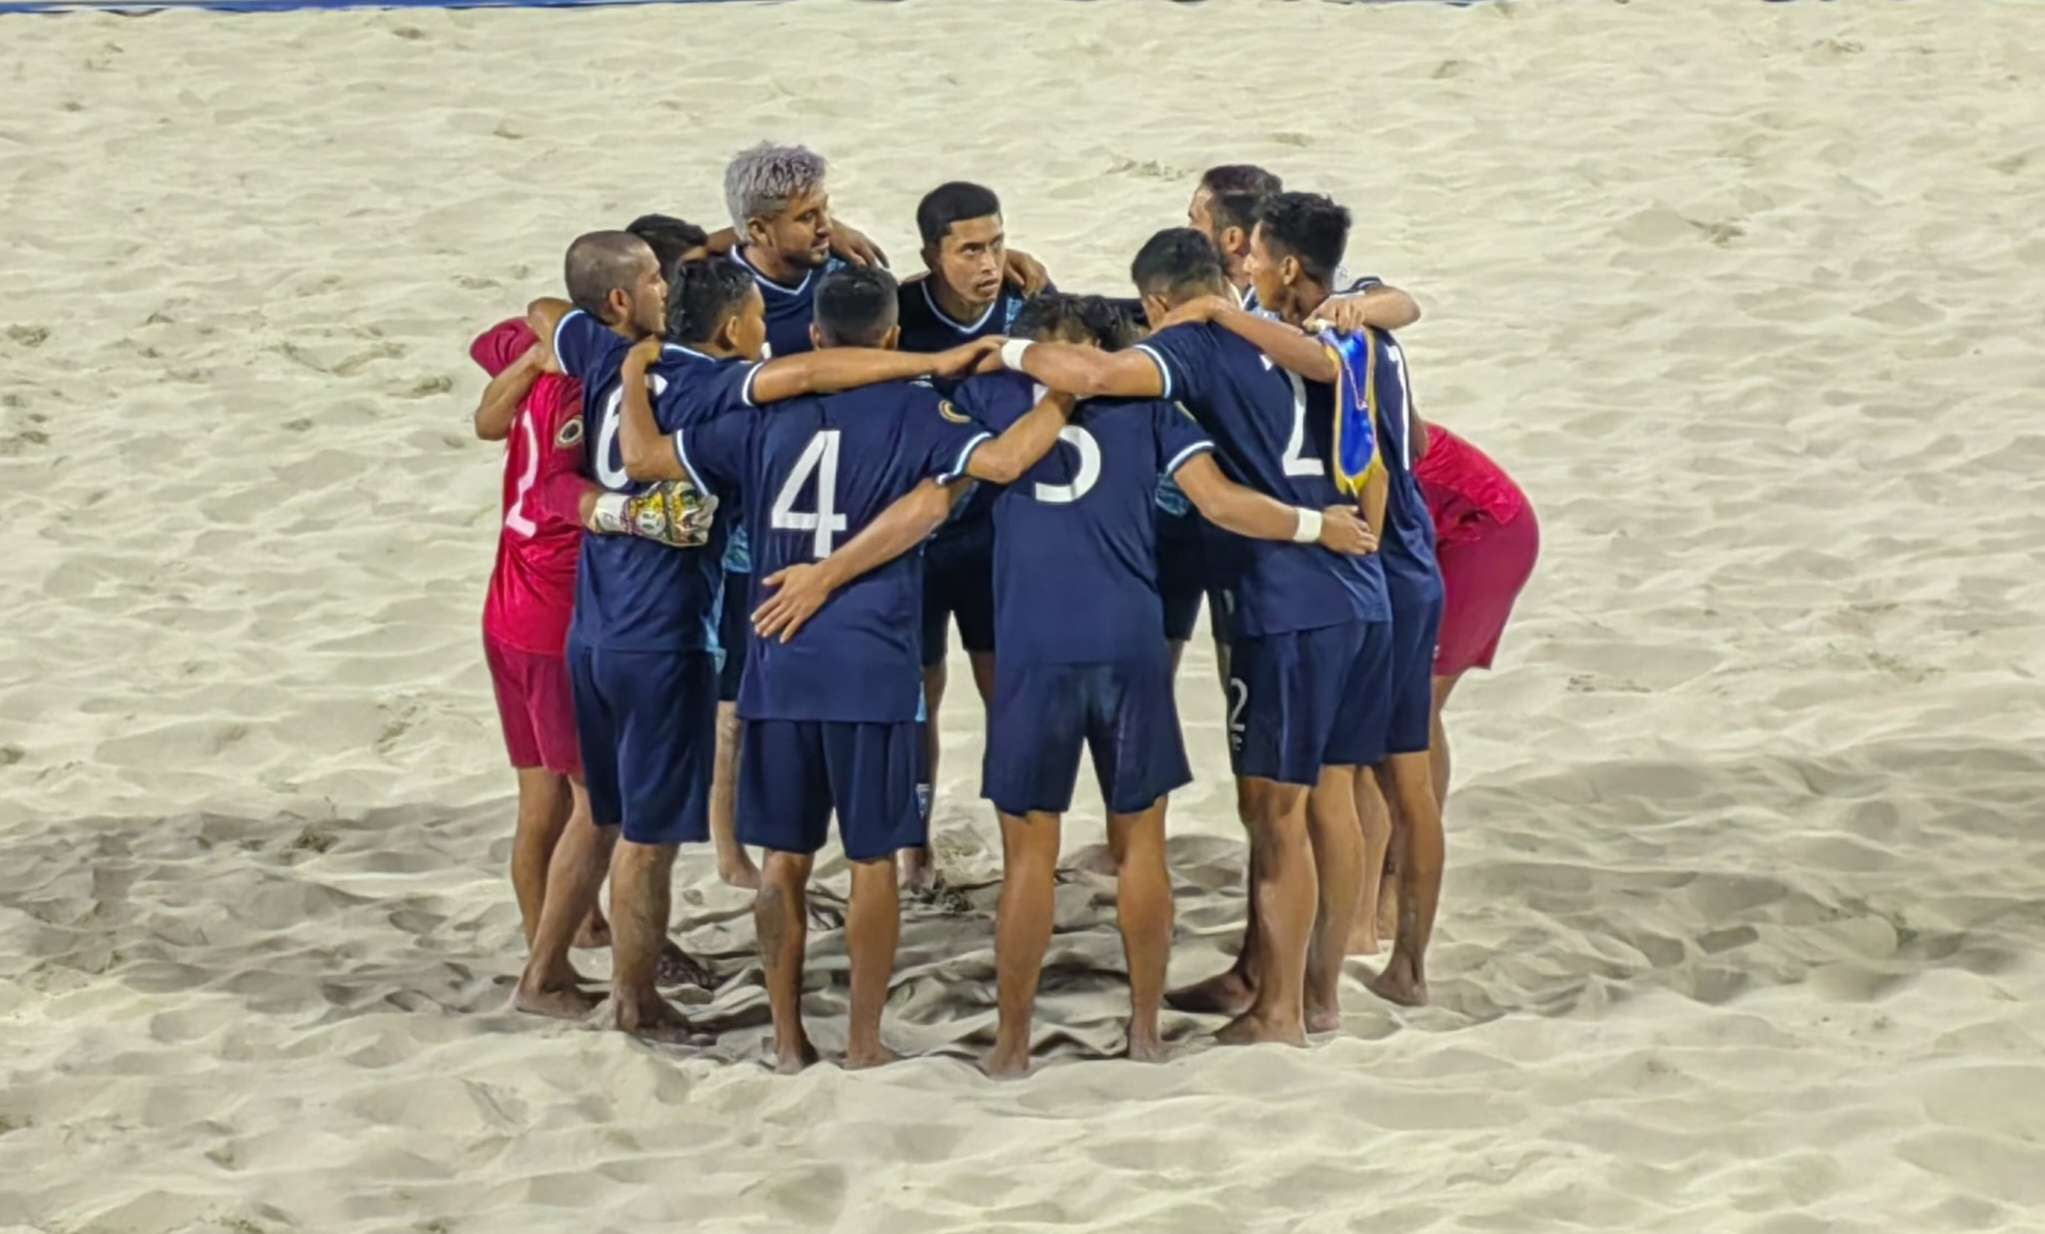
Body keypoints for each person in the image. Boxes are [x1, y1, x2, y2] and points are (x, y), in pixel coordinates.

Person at [650, 265, 1074, 1071]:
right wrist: (1065, 394)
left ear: (813, 337)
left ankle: (783, 1038)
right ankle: (864, 1041)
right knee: (873, 858)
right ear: (890, 339)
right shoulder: (921, 411)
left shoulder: (758, 417)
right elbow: (1002, 464)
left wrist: (636, 371)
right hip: (873, 664)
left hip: (777, 658)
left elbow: (647, 459)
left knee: (784, 858)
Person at [1003, 229, 1390, 1044]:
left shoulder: (1191, 348)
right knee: (1335, 793)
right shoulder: (1310, 337)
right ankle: (1313, 995)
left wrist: (998, 351)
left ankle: (1279, 1012)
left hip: (1282, 601)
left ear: (1154, 304)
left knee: (1275, 814)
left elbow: (1101, 376)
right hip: (1361, 590)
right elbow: (1384, 450)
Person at [1174, 192, 1448, 1003]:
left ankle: (1320, 975)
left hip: (1373, 561)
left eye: (1252, 255)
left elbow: (1365, 450)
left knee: (1343, 781)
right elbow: (1413, 416)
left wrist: (1218, 321)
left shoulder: (1328, 336)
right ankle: (1382, 965)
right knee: (1394, 776)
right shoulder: (1366, 313)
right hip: (1407, 558)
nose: (1241, 268)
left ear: (1287, 264)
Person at [892, 181, 1046, 889]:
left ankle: (1024, 848)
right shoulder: (896, 315)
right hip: (916, 543)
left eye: (997, 244)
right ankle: (913, 849)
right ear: (932, 255)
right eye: (969, 250)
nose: (988, 263)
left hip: (999, 540)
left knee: (1005, 693)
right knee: (918, 695)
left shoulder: (1030, 309)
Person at [468, 315, 611, 959]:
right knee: (590, 805)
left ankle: (577, 928)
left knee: (541, 798)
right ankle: (548, 957)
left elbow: (485, 407)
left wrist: (531, 358)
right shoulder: (592, 382)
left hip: (507, 603)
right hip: (553, 617)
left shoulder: (540, 357)